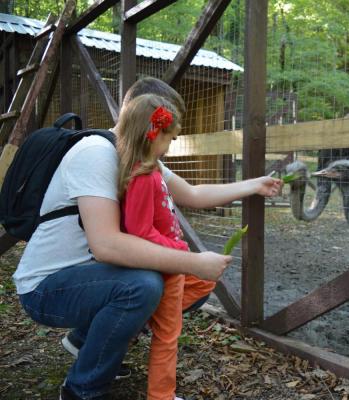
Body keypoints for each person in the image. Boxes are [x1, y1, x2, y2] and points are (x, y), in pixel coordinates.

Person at [12, 77, 281, 400]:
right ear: (139, 115)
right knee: (143, 285)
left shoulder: (140, 159)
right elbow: (107, 245)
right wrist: (193, 260)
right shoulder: (97, 154)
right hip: (46, 287)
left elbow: (193, 194)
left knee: (181, 283)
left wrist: (253, 185)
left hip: (90, 278)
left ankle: (85, 341)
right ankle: (82, 389)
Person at [117, 93, 209, 400]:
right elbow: (138, 231)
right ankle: (162, 396)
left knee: (205, 280)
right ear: (151, 134)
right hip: (165, 264)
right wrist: (175, 249)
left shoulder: (154, 169)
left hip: (172, 260)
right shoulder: (143, 177)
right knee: (168, 337)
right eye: (168, 139)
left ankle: (145, 317)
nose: (170, 146)